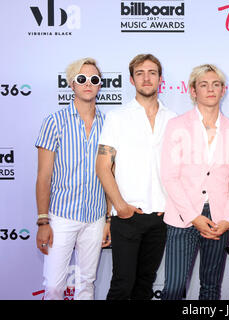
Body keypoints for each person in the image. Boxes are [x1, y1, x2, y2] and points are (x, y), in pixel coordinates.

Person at [96, 54, 176, 300]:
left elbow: (178, 169)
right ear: (131, 80)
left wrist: (171, 205)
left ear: (160, 79)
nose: (146, 77)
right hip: (128, 214)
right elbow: (102, 165)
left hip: (161, 218)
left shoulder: (173, 119)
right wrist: (119, 207)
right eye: (140, 73)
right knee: (122, 284)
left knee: (145, 284)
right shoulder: (117, 117)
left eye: (152, 72)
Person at [160, 64, 229, 300]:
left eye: (216, 84)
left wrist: (227, 219)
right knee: (174, 288)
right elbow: (169, 176)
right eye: (204, 85)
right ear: (193, 91)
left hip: (219, 220)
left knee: (210, 288)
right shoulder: (176, 126)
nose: (210, 90)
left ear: (223, 90)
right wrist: (194, 217)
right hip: (182, 218)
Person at [35, 57, 110, 300]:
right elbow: (43, 177)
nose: (88, 83)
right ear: (71, 84)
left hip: (96, 217)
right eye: (81, 79)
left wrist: (108, 218)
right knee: (54, 286)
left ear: (100, 85)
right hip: (62, 217)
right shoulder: (54, 122)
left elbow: (111, 174)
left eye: (94, 79)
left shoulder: (109, 124)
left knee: (86, 285)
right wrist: (43, 221)